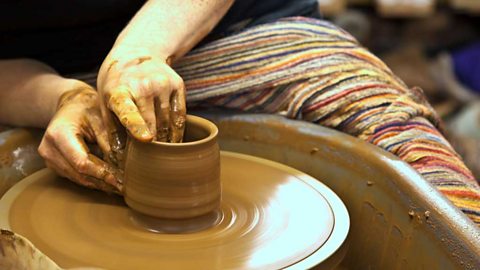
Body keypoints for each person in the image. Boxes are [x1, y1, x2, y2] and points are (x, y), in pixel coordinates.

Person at [0, 1, 479, 224]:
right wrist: (58, 98)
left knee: (426, 181)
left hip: (229, 29)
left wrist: (139, 54)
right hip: (40, 72)